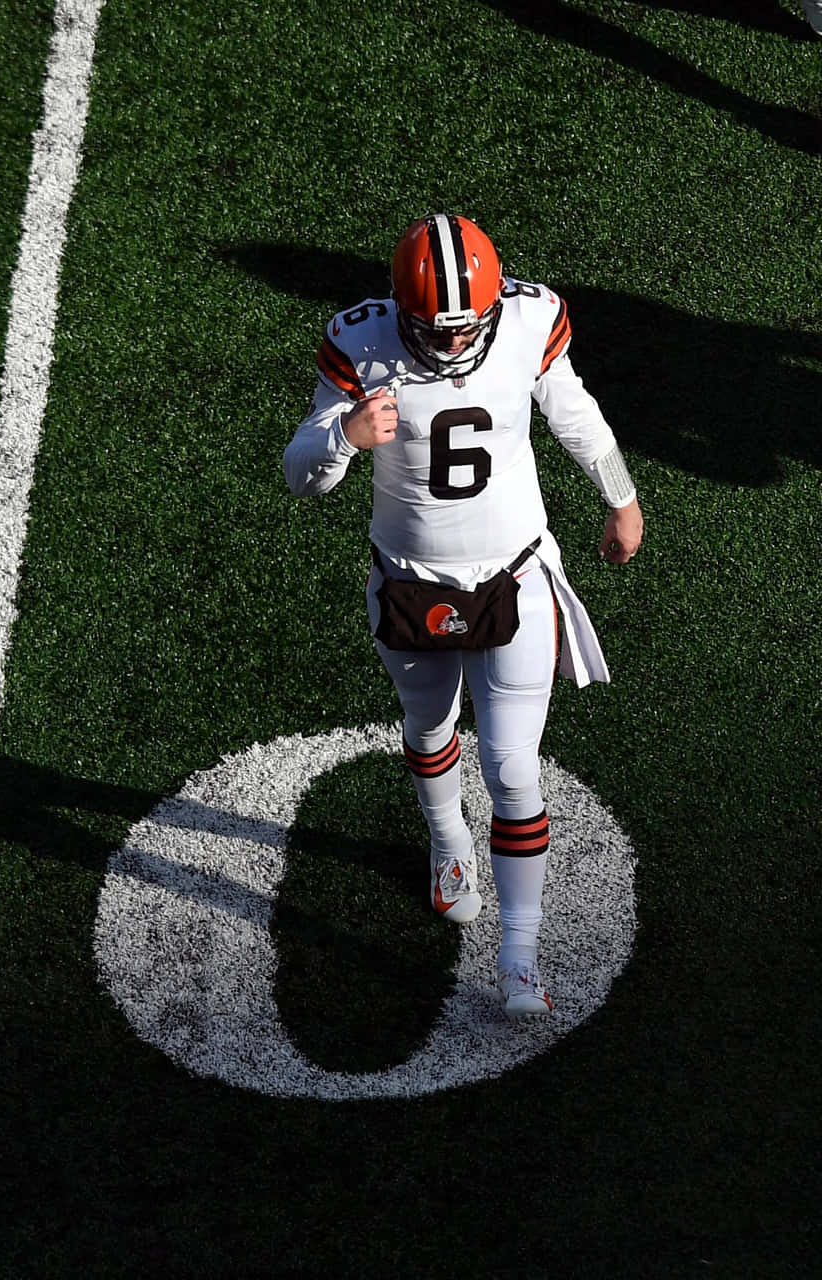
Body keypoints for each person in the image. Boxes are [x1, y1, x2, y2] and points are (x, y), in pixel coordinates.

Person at [282, 213, 644, 1020]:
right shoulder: (360, 342)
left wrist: (620, 495)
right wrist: (343, 435)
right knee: (428, 726)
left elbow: (574, 412)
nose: (451, 347)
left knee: (514, 767)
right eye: (435, 331)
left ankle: (520, 954)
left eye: (465, 328)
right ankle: (449, 843)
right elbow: (302, 476)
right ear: (401, 311)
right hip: (409, 582)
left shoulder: (527, 318)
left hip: (515, 575)